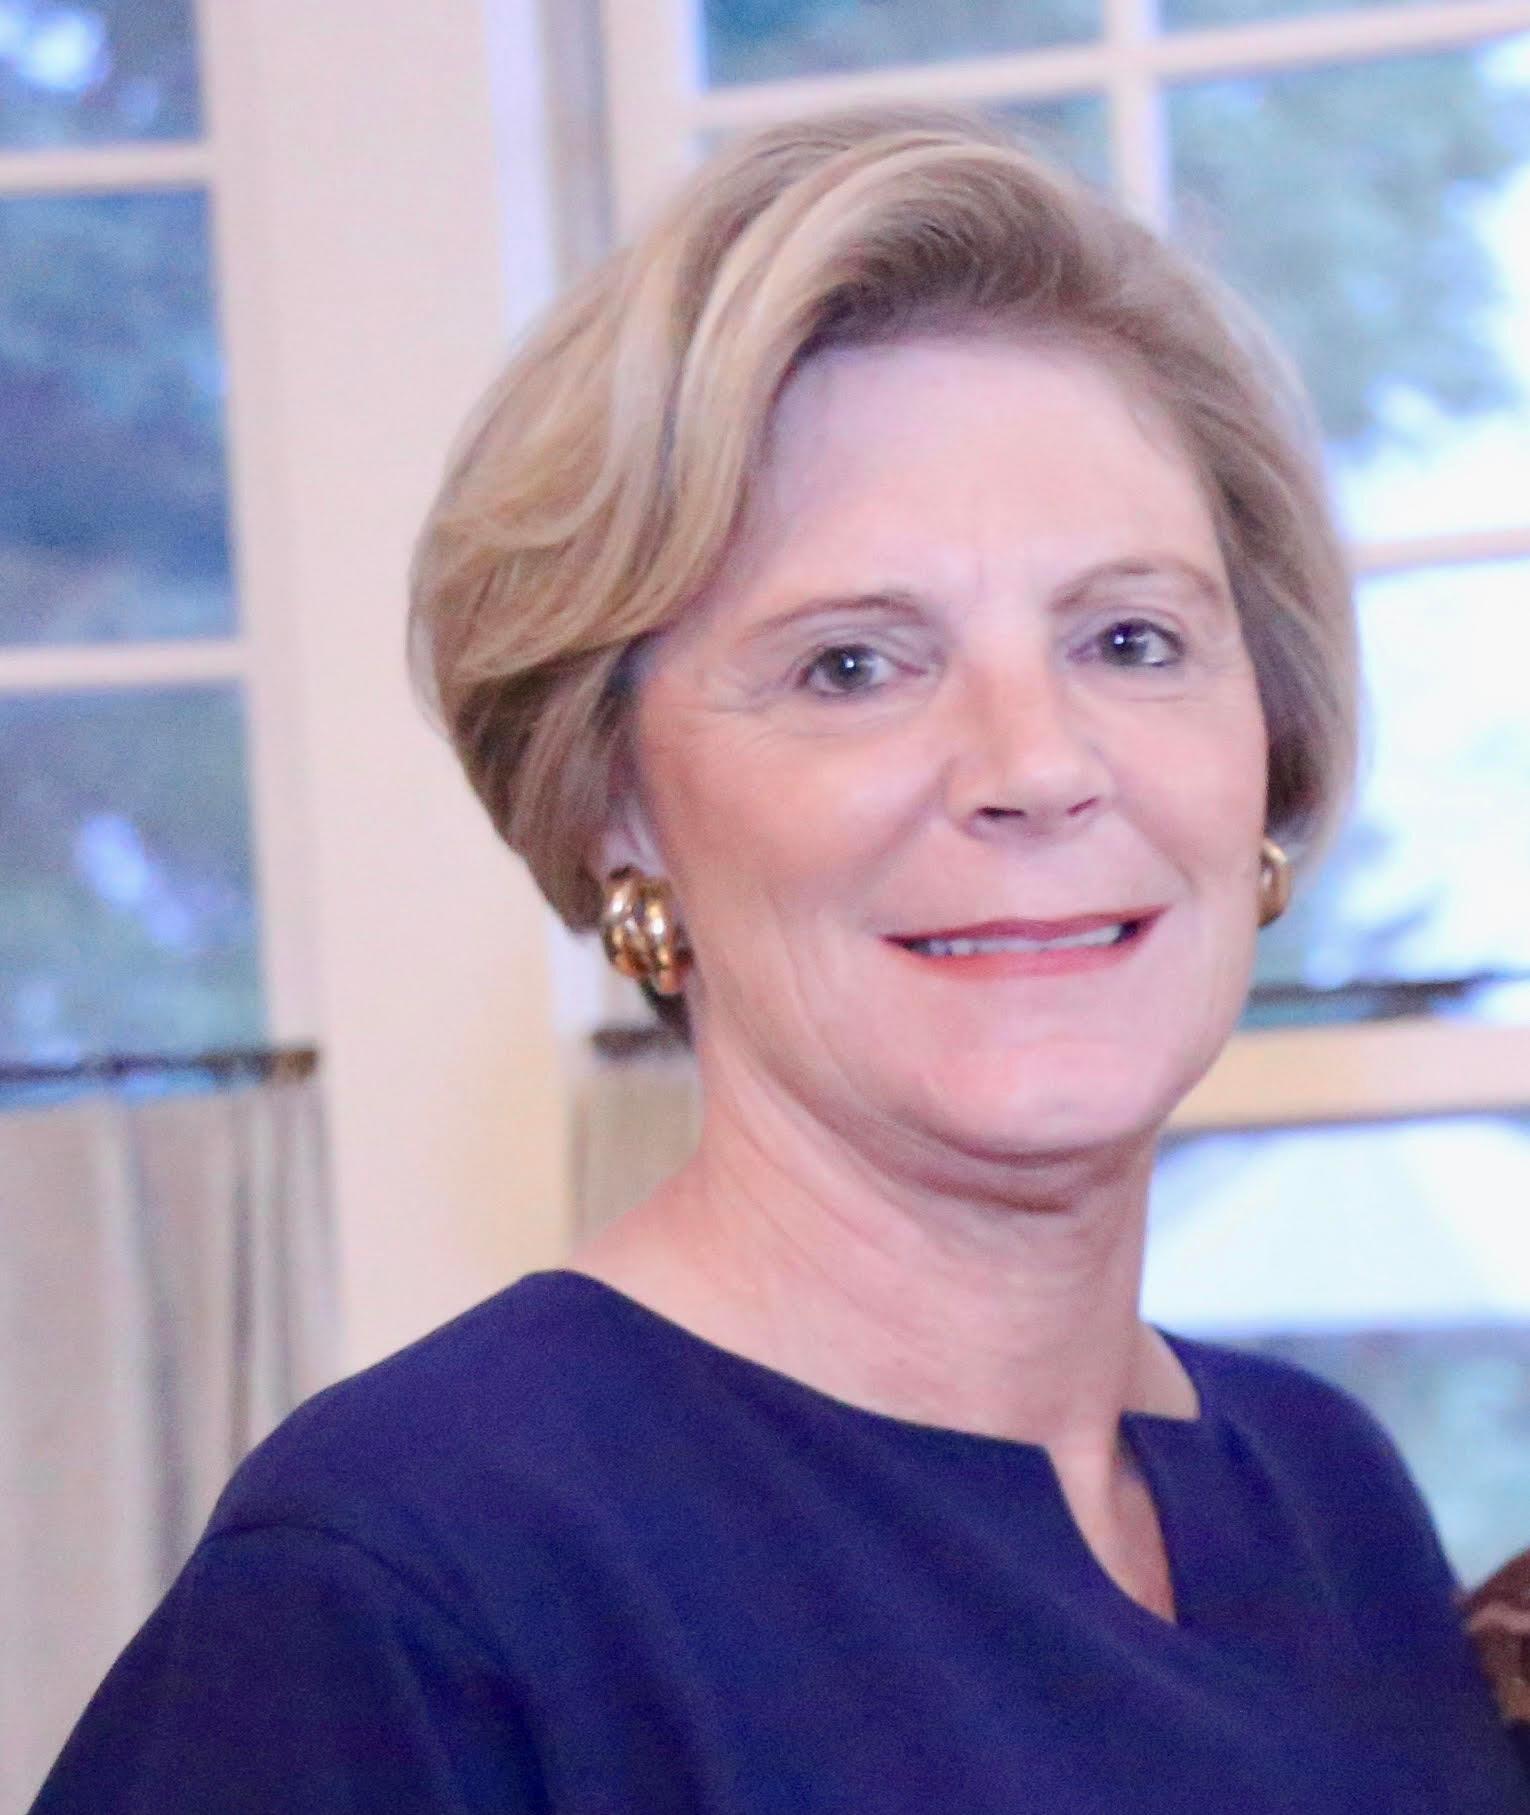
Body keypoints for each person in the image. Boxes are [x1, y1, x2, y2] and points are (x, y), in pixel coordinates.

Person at [31, 105, 1527, 1814]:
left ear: (1267, 742)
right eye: (851, 666)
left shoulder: (1328, 1503)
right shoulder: (407, 1587)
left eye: (1129, 638)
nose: (1035, 763)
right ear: (616, 807)